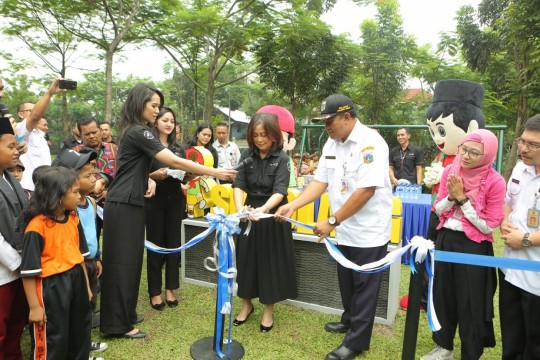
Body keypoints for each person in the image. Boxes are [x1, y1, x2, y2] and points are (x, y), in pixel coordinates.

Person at [99, 84, 236, 339]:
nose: (156, 111)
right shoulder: (140, 131)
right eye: (154, 106)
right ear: (139, 103)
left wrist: (148, 180)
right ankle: (117, 325)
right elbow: (171, 161)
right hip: (124, 203)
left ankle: (125, 314)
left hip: (133, 201)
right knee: (120, 264)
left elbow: (136, 168)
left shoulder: (135, 131)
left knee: (130, 263)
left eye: (158, 106)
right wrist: (215, 172)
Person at [276, 94, 392, 360]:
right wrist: (293, 205)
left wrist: (331, 220)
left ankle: (357, 342)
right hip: (343, 227)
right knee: (346, 281)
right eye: (324, 121)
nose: (326, 126)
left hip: (369, 230)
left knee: (365, 286)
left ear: (348, 117)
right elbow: (320, 183)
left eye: (330, 120)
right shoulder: (331, 142)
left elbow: (366, 191)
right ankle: (350, 319)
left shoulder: (370, 143)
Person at [421, 129, 505, 360]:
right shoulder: (451, 170)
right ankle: (443, 346)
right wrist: (450, 197)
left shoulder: (495, 182)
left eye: (474, 153)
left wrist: (463, 199)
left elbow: (489, 225)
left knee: (471, 301)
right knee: (443, 295)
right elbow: (437, 210)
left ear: (487, 155)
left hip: (474, 247)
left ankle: (471, 351)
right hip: (446, 240)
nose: (466, 156)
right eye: (464, 149)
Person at [232, 112, 297, 333]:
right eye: (256, 135)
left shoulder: (282, 159)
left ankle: (268, 310)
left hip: (272, 215)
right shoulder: (246, 155)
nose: (260, 139)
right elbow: (238, 184)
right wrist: (240, 208)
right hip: (249, 214)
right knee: (246, 260)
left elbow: (280, 191)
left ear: (274, 135)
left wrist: (264, 209)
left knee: (271, 263)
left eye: (264, 135)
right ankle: (246, 305)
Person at [20, 166, 93, 360]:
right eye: (75, 192)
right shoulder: (37, 226)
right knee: (54, 337)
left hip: (76, 279)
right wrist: (35, 307)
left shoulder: (73, 218)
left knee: (79, 332)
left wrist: (86, 287)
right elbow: (28, 272)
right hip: (51, 287)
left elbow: (80, 257)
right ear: (58, 195)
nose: (80, 197)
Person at [52, 148, 109, 355]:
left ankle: (85, 345)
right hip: (74, 267)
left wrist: (98, 257)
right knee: (73, 312)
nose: (94, 178)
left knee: (89, 306)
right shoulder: (66, 210)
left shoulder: (91, 202)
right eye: (87, 175)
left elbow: (93, 235)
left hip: (91, 263)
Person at [499, 114, 540, 360]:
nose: (523, 148)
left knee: (535, 343)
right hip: (509, 270)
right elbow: (509, 201)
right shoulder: (520, 167)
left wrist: (525, 238)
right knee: (511, 339)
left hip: (536, 278)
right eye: (522, 141)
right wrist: (504, 219)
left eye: (532, 144)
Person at [146, 107, 187, 310]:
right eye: (164, 120)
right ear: (155, 122)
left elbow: (186, 173)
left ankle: (170, 288)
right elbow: (139, 173)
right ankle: (154, 292)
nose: (169, 124)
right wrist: (154, 175)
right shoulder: (147, 145)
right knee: (155, 245)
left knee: (173, 244)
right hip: (154, 201)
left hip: (175, 200)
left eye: (172, 120)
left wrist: (187, 175)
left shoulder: (179, 148)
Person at [0, 117, 28, 360]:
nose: (15, 152)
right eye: (10, 147)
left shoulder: (9, 178)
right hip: (5, 269)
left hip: (20, 265)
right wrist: (18, 263)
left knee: (16, 326)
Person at [16, 79, 62, 191]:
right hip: (27, 190)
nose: (37, 112)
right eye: (31, 110)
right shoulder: (20, 131)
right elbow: (35, 117)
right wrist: (50, 93)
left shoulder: (41, 135)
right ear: (21, 114)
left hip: (44, 190)